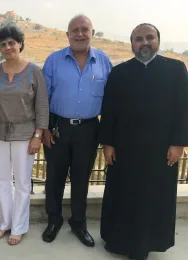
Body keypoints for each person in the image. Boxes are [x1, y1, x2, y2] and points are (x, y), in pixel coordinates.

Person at [99, 23, 188, 260]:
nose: (145, 42)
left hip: (161, 149)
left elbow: (183, 109)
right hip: (125, 149)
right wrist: (108, 144)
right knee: (123, 194)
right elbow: (109, 111)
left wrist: (179, 143)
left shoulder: (176, 69)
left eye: (150, 37)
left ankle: (149, 242)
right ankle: (119, 241)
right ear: (132, 44)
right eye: (139, 38)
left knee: (154, 196)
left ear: (158, 40)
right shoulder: (119, 73)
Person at [41, 15, 112, 247]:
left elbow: (112, 100)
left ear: (93, 32)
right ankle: (54, 220)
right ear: (67, 34)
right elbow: (43, 98)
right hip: (58, 127)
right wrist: (45, 128)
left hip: (90, 129)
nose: (80, 34)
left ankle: (78, 223)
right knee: (55, 177)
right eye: (75, 30)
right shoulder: (54, 60)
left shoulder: (103, 61)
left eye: (84, 30)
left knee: (82, 178)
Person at [0, 25, 49, 245]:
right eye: (3, 44)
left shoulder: (34, 71)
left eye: (11, 42)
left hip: (25, 134)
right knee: (2, 180)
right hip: (0, 132)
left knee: (21, 182)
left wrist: (38, 135)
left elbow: (41, 105)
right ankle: (4, 223)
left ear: (20, 43)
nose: (8, 47)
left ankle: (19, 227)